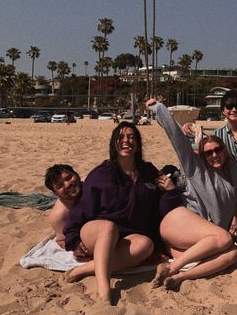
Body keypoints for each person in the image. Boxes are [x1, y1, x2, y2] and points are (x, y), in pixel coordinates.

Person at [63, 122, 182, 303]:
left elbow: (160, 211)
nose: (126, 141)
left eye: (131, 137)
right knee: (109, 228)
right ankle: (104, 291)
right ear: (114, 143)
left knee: (146, 245)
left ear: (138, 143)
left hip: (128, 238)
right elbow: (81, 208)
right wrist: (74, 239)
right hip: (97, 232)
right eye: (121, 137)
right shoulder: (101, 173)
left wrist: (171, 191)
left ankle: (86, 269)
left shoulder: (148, 171)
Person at [146, 98, 237, 291]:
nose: (214, 155)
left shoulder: (235, 174)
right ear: (202, 156)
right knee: (224, 239)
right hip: (178, 225)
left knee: (233, 254)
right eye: (208, 153)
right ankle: (172, 268)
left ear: (225, 151)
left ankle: (180, 277)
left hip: (198, 243)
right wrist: (158, 108)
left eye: (218, 150)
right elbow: (176, 137)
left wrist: (236, 218)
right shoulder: (195, 169)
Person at [45, 164, 83, 249]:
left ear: (77, 175)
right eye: (60, 186)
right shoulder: (59, 216)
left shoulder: (92, 186)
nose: (67, 185)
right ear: (55, 193)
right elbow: (63, 241)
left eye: (69, 178)